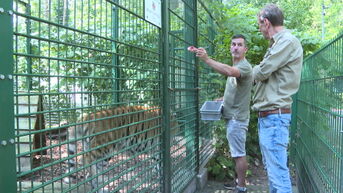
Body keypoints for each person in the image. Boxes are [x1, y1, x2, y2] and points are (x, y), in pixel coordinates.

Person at [252, 4, 303, 193]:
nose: (260, 29)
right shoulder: (279, 43)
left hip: (274, 117)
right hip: (270, 117)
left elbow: (262, 71)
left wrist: (249, 71)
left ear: (266, 22)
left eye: (260, 25)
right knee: (274, 174)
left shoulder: (286, 41)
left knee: (279, 176)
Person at [193, 34, 252, 193]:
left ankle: (241, 188)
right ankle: (238, 183)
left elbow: (229, 71)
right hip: (232, 117)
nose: (236, 47)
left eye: (240, 45)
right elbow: (236, 91)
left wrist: (206, 59)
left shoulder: (244, 66)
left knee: (239, 154)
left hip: (237, 119)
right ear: (230, 47)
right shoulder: (237, 65)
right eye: (233, 44)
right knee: (236, 153)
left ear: (245, 49)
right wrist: (223, 99)